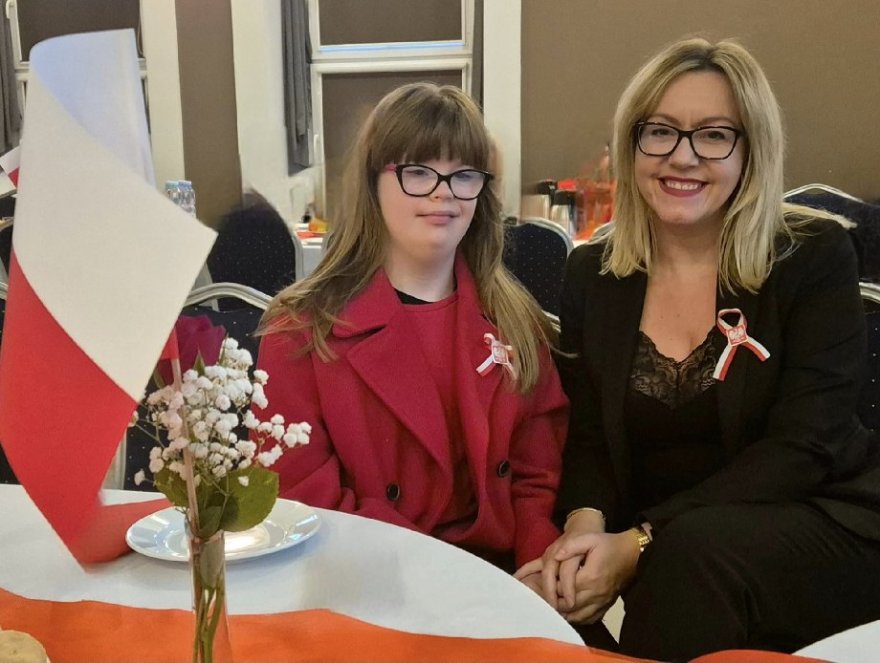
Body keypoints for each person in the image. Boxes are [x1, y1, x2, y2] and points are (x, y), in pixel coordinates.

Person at [515, 38, 880, 659]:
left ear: (751, 150)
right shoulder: (594, 275)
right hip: (673, 549)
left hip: (822, 517)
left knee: (688, 557)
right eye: (660, 132)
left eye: (714, 135)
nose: (682, 157)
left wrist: (640, 542)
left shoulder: (812, 257)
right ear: (632, 145)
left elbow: (803, 446)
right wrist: (584, 530)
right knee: (553, 594)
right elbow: (589, 438)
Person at [255, 83, 568, 583]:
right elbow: (303, 497)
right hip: (372, 577)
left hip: (505, 576)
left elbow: (538, 471)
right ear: (372, 183)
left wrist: (537, 564)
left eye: (463, 174)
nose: (444, 192)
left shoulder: (516, 319)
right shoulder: (300, 330)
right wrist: (441, 579)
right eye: (418, 171)